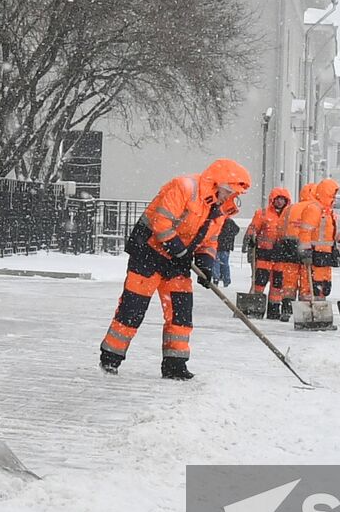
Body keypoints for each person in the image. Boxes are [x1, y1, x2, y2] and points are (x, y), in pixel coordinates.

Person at [99, 159, 250, 380]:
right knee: (133, 309)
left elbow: (210, 241)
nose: (229, 196)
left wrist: (205, 264)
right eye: (228, 191)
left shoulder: (220, 209)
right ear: (216, 184)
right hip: (148, 253)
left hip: (177, 260)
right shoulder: (185, 187)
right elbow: (161, 223)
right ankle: (110, 358)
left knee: (181, 312)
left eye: (233, 193)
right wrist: (180, 251)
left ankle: (175, 365)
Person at [273, 184, 319, 321]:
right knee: (306, 281)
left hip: (288, 247)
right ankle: (305, 314)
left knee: (289, 281)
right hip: (306, 246)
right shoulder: (314, 208)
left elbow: (280, 228)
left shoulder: (289, 208)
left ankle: (286, 309)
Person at [244, 187, 291, 318]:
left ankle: (273, 310)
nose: (280, 202)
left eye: (283, 199)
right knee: (259, 282)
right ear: (273, 200)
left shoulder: (288, 216)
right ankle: (255, 308)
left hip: (280, 256)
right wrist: (250, 237)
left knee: (277, 285)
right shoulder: (263, 213)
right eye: (278, 199)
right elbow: (253, 227)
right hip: (264, 254)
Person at [216, 216, 238, 287]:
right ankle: (226, 280)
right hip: (226, 247)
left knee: (216, 263)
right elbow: (236, 230)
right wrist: (229, 237)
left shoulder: (217, 220)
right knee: (225, 263)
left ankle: (216, 278)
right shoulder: (229, 222)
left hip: (217, 246)